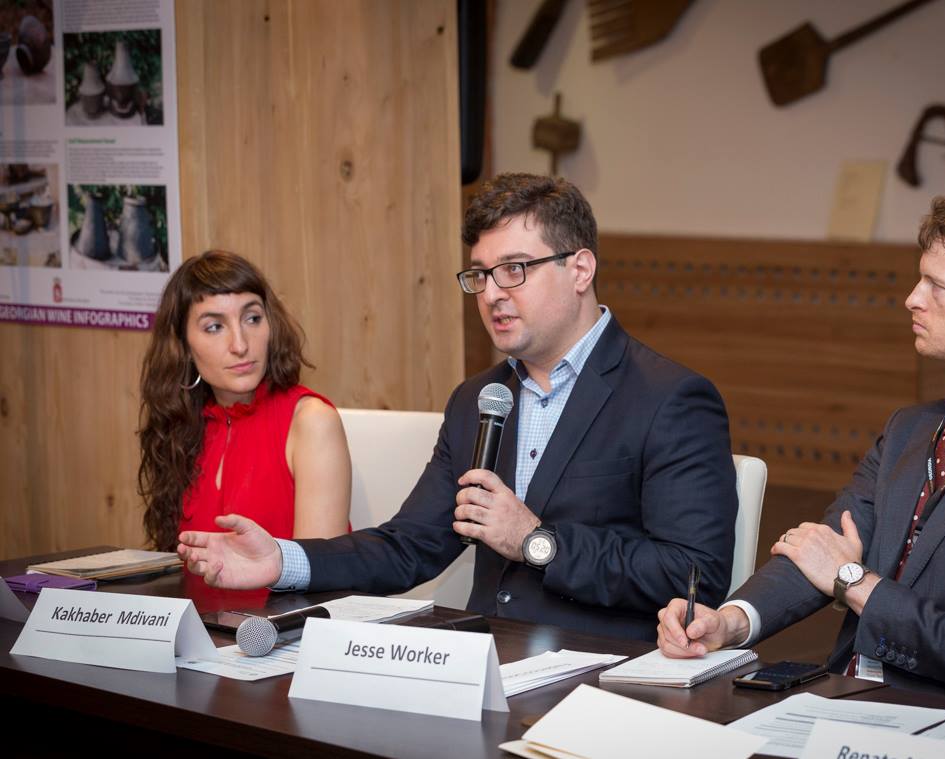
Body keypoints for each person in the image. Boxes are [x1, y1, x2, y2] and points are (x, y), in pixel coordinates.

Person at [178, 173, 738, 641]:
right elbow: (409, 547)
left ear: (580, 269)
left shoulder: (669, 398)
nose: (492, 294)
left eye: (515, 269)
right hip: (484, 666)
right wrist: (282, 560)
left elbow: (694, 574)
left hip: (604, 680)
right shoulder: (479, 400)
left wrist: (537, 542)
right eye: (480, 275)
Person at [656, 182, 945, 713]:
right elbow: (824, 549)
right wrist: (729, 622)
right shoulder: (909, 429)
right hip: (840, 703)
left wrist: (853, 580)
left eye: (936, 286)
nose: (912, 299)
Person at [139, 250, 351, 552]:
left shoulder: (311, 421)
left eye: (252, 318)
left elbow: (321, 570)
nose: (240, 345)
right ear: (183, 346)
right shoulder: (181, 423)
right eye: (215, 327)